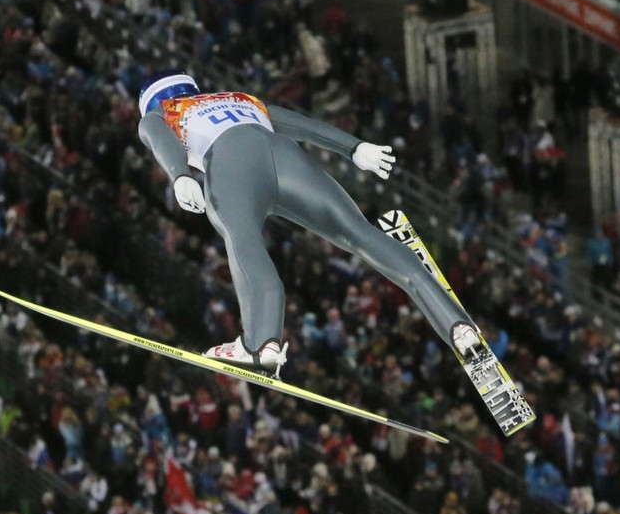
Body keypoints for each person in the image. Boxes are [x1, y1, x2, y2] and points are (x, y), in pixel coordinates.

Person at [137, 71, 479, 375]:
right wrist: (354, 147)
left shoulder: (161, 113)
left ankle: (261, 343)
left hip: (230, 163)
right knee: (358, 232)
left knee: (243, 241)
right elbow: (300, 124)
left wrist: (179, 175)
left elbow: (159, 138)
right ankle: (458, 326)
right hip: (285, 157)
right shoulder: (237, 97)